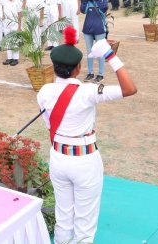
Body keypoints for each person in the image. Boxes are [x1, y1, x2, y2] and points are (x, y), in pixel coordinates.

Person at [37, 26, 137, 243]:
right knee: (85, 222)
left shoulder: (44, 92)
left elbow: (49, 130)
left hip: (58, 156)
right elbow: (129, 89)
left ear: (54, 68)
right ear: (78, 68)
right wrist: (110, 55)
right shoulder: (88, 91)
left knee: (64, 216)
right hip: (84, 158)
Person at [80, 0, 109, 83]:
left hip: (99, 28)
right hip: (88, 28)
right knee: (89, 52)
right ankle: (90, 73)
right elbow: (82, 10)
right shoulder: (88, 0)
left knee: (100, 51)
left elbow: (104, 7)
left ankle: (101, 74)